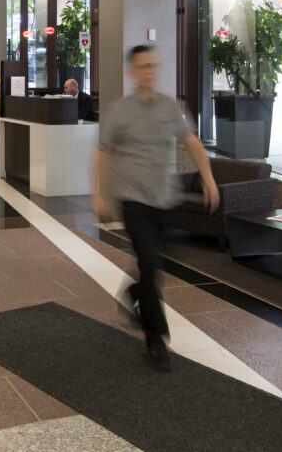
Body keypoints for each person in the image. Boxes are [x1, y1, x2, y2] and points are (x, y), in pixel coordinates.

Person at [91, 45, 219, 371]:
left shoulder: (170, 107)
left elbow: (191, 142)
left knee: (152, 268)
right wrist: (98, 194)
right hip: (132, 199)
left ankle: (133, 292)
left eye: (153, 66)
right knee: (149, 261)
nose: (149, 71)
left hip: (164, 198)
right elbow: (103, 152)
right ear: (132, 72)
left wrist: (208, 178)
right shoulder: (120, 111)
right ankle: (156, 338)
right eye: (143, 66)